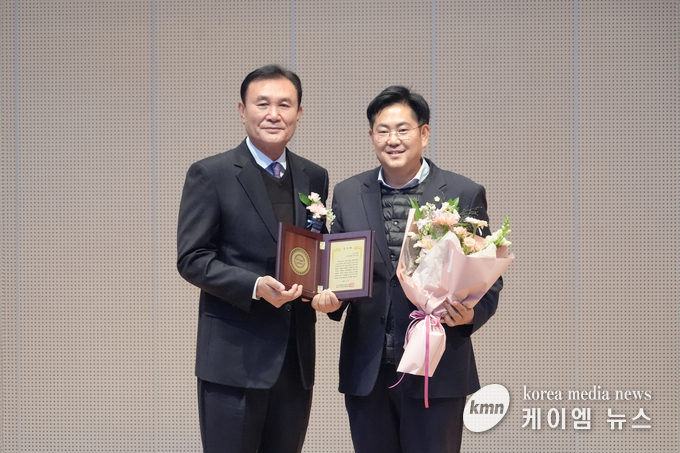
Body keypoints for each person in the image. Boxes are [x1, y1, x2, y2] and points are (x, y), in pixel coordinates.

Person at [313, 86, 503, 453]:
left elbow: (488, 277)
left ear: (424, 133)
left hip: (438, 369)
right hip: (369, 369)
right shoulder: (348, 193)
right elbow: (340, 271)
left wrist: (469, 315)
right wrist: (330, 300)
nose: (393, 139)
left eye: (403, 129)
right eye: (383, 130)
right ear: (371, 136)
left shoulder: (462, 192)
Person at [177, 65, 329, 453]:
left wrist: (330, 291)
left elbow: (316, 252)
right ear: (242, 110)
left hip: (294, 361)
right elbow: (192, 258)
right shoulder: (211, 174)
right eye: (262, 104)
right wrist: (256, 286)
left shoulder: (314, 177)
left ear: (299, 113)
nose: (273, 114)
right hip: (233, 361)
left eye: (285, 105)